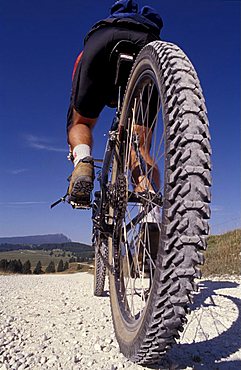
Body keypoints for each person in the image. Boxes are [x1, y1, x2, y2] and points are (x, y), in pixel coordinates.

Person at [67, 0, 163, 206]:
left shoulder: (104, 25)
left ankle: (83, 162)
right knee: (139, 146)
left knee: (80, 123)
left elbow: (78, 69)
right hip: (150, 44)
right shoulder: (150, 30)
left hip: (100, 42)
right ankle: (150, 207)